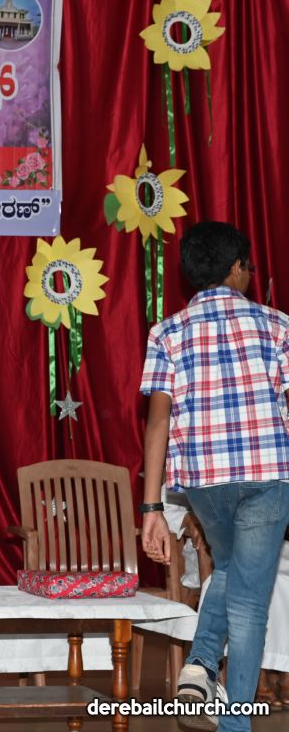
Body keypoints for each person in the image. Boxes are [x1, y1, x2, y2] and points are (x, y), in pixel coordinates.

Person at [140, 221, 289, 732]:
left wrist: (151, 508)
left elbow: (157, 422)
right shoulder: (277, 326)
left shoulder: (167, 332)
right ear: (236, 268)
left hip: (205, 483)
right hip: (269, 476)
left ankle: (201, 663)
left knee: (228, 567)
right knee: (248, 602)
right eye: (249, 266)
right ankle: (234, 724)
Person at [164, 492, 289, 711]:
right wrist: (190, 520)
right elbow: (164, 505)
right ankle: (257, 675)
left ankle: (282, 670)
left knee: (270, 570)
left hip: (272, 538)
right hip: (215, 545)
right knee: (257, 577)